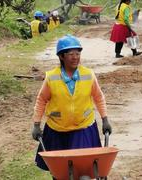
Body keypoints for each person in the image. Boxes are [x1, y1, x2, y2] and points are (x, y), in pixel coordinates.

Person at [31, 35, 112, 173]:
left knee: (83, 169)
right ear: (62, 57)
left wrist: (105, 119)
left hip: (83, 128)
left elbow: (98, 97)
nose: (75, 57)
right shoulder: (51, 77)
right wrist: (36, 125)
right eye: (71, 54)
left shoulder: (88, 75)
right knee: (59, 172)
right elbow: (41, 100)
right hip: (57, 130)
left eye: (78, 53)